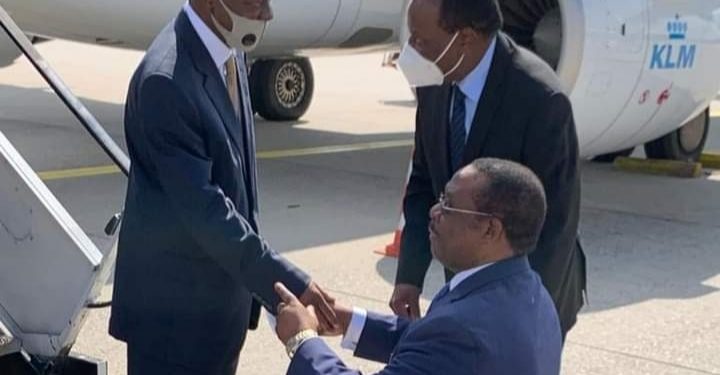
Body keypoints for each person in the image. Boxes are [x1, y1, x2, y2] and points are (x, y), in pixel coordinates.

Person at [109, 1, 336, 374]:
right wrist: (290, 284)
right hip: (174, 329)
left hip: (217, 316)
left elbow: (239, 185)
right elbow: (208, 214)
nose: (266, 14)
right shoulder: (166, 81)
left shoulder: (227, 53)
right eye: (253, 2)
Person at [390, 0, 586, 337]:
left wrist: (522, 322)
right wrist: (410, 275)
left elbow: (555, 226)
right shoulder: (436, 80)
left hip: (532, 298)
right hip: (465, 291)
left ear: (463, 38)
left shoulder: (540, 99)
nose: (411, 51)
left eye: (422, 41)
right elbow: (424, 182)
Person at [274, 158, 562, 375]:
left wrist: (302, 340)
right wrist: (348, 321)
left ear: (490, 230)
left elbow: (442, 341)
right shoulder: (530, 293)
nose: (434, 212)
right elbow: (428, 345)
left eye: (449, 205)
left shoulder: (461, 330)